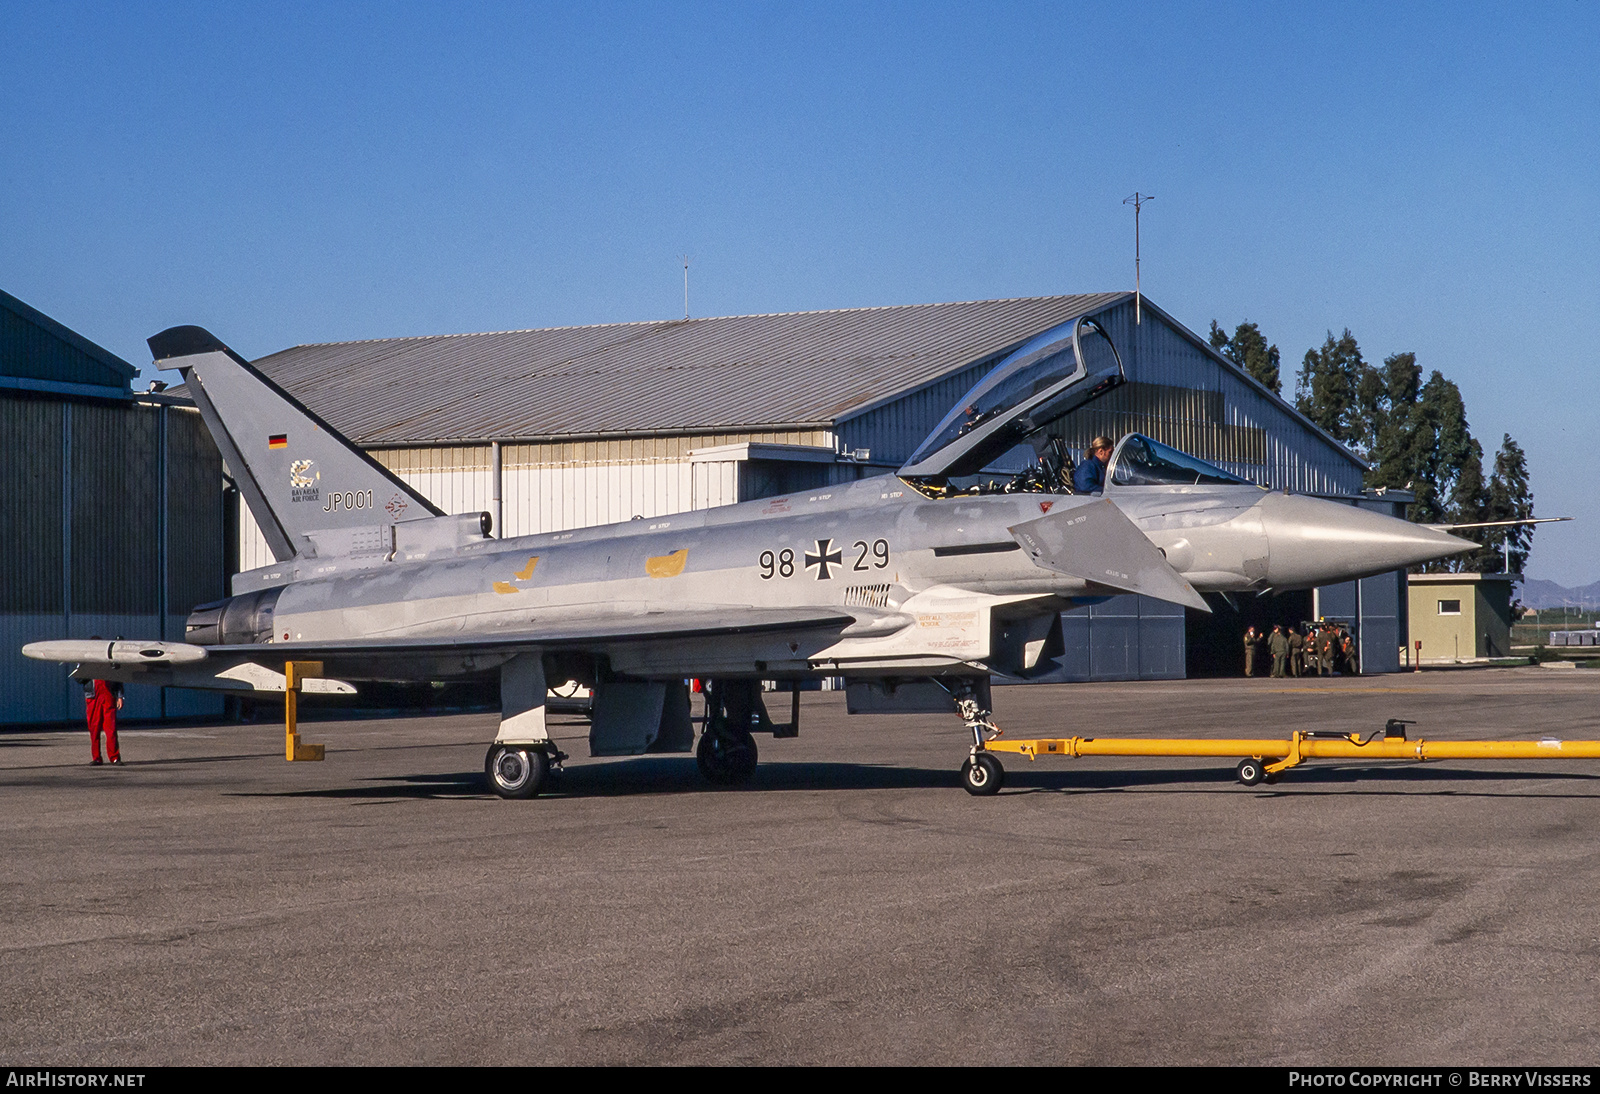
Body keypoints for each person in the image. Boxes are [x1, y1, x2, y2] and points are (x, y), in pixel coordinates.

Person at [85, 676, 123, 765]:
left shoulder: (111, 663)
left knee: (111, 728)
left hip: (109, 694)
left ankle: (114, 757)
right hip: (93, 696)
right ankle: (96, 757)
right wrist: (85, 676)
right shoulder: (87, 663)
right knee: (94, 728)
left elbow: (119, 676)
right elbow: (78, 677)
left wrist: (120, 696)